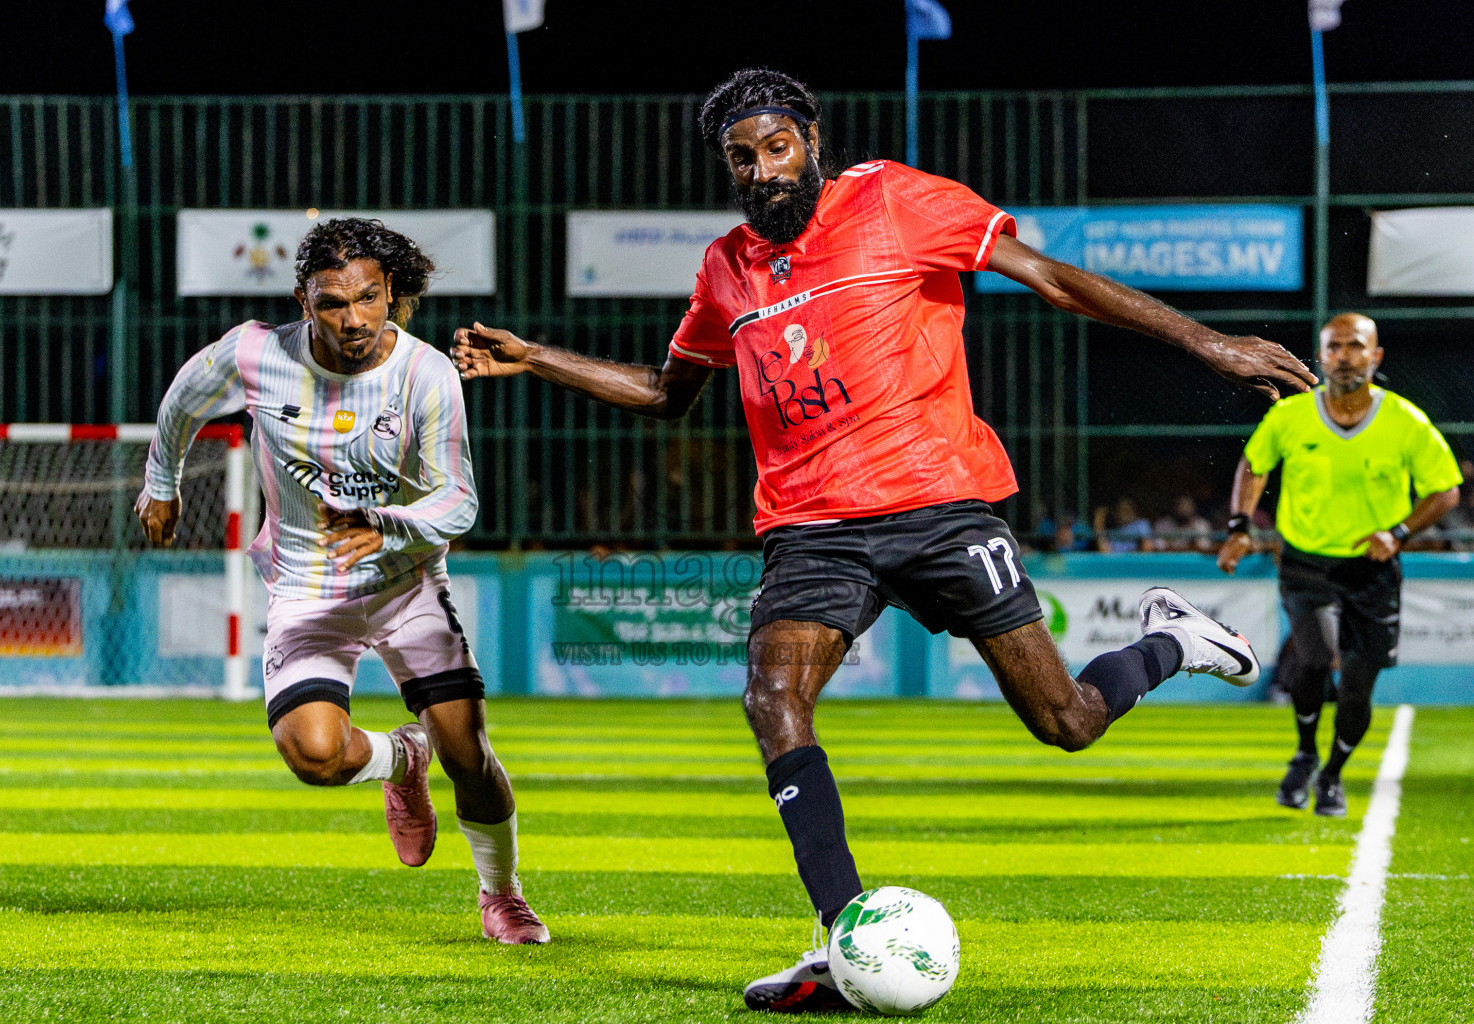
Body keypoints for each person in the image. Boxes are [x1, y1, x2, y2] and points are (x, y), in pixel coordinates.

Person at [454, 69, 1315, 1010]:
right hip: (812, 529)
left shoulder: (897, 200)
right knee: (772, 697)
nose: (761, 171)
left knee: (1066, 721)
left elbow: (1052, 277)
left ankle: (1172, 641)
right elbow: (668, 393)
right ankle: (840, 936)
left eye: (775, 148)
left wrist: (1209, 344)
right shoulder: (724, 267)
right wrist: (538, 357)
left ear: (811, 139)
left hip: (938, 502)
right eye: (742, 158)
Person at [139, 218, 548, 944]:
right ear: (304, 300)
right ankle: (400, 756)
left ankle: (502, 893)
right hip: (306, 587)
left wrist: (386, 523)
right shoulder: (256, 353)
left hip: (408, 586)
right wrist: (161, 484)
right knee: (315, 757)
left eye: (368, 298)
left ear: (390, 291)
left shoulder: (426, 374)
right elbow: (181, 400)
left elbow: (462, 501)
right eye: (333, 303)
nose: (353, 319)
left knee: (469, 755)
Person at [1218, 312, 1460, 817]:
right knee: (1314, 658)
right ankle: (1304, 753)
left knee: (1356, 688)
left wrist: (1396, 534)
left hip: (1372, 572)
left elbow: (1446, 490)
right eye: (1334, 347)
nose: (1344, 356)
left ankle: (1331, 774)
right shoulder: (1290, 416)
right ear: (1321, 356)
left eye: (1355, 346)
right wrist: (1240, 527)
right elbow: (1254, 465)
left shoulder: (1405, 421)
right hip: (1307, 563)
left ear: (1376, 356)